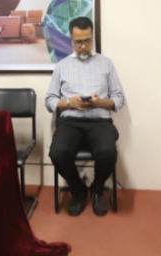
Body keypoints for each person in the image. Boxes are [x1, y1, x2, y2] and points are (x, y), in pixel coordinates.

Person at [45, 17, 125, 217]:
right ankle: (78, 189)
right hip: (70, 122)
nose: (83, 46)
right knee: (57, 153)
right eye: (78, 42)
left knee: (108, 153)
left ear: (92, 37)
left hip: (99, 122)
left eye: (87, 41)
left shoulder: (106, 64)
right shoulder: (62, 66)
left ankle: (97, 189)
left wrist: (99, 103)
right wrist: (69, 103)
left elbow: (119, 99)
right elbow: (49, 100)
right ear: (71, 40)